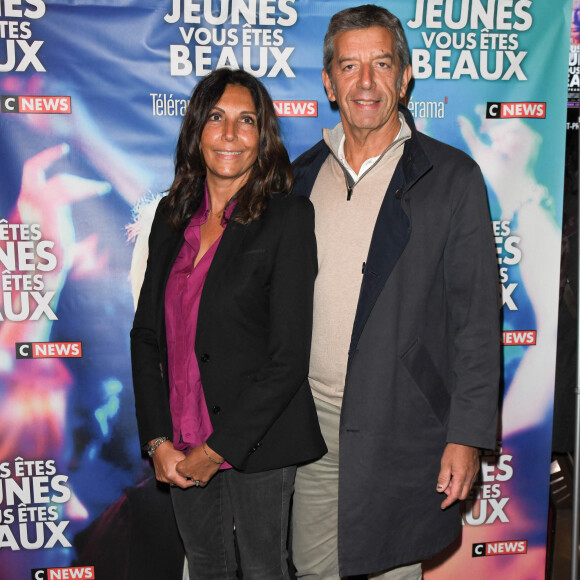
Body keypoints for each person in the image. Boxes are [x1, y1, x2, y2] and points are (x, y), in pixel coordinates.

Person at [290, 5, 500, 579]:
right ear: (329, 83)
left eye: (381, 63)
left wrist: (467, 436)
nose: (365, 82)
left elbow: (477, 323)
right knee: (312, 571)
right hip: (308, 423)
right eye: (349, 66)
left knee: (391, 572)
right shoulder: (297, 178)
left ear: (405, 76)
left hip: (404, 423)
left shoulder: (450, 178)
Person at [130, 67, 326, 580]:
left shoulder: (288, 218)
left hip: (257, 438)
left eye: (247, 120)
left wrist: (215, 451)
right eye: (216, 118)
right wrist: (158, 441)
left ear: (263, 138)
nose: (231, 134)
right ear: (197, 130)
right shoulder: (171, 215)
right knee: (208, 567)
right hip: (181, 436)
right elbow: (146, 335)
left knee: (263, 570)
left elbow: (288, 360)